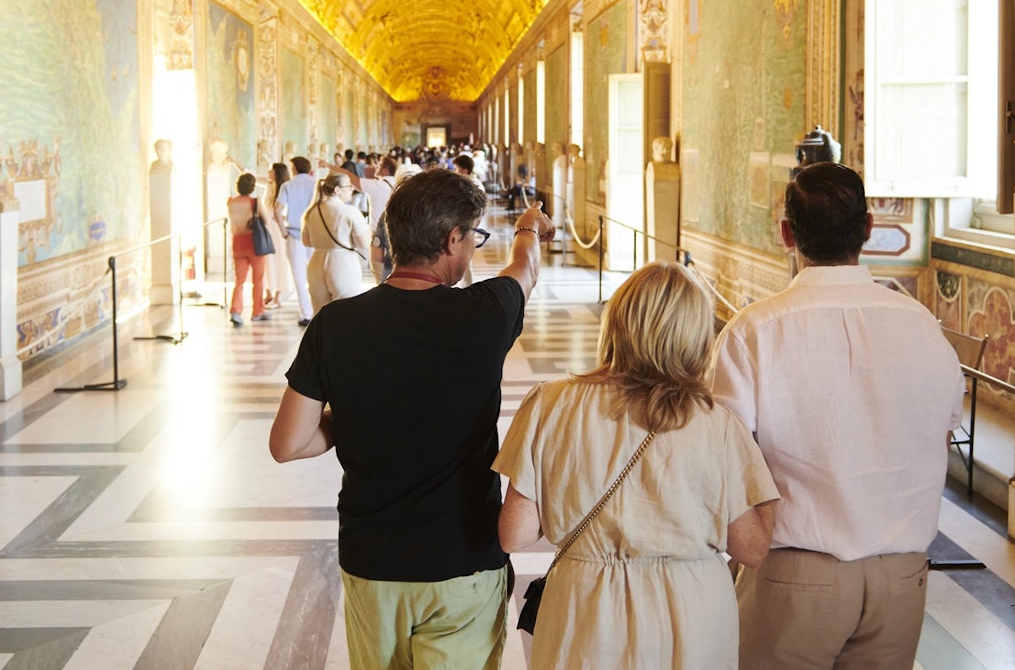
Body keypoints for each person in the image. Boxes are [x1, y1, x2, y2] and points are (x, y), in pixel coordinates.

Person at [269, 168, 556, 670]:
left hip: (373, 561)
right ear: (452, 239)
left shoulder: (335, 325)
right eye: (472, 237)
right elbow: (524, 268)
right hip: (462, 561)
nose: (472, 250)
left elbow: (288, 443)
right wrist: (530, 227)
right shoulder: (485, 313)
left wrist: (358, 410)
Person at [708, 162, 964, 669]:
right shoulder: (923, 328)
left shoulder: (754, 332)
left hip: (796, 575)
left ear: (786, 234)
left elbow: (722, 459)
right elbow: (944, 431)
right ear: (869, 228)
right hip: (901, 578)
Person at [494, 261, 778, 668]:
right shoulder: (718, 425)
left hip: (584, 610)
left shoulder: (550, 404)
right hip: (691, 613)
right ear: (696, 336)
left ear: (618, 321)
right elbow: (751, 548)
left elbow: (515, 534)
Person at [301, 173, 371, 311]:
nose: (352, 189)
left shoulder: (312, 211)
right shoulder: (349, 211)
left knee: (320, 313)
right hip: (343, 262)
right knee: (347, 311)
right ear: (337, 190)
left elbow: (306, 241)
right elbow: (364, 243)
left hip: (316, 263)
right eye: (348, 186)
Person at [226, 173, 276, 327]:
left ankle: (236, 310)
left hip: (237, 244)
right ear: (252, 187)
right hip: (254, 244)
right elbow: (266, 220)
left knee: (239, 281)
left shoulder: (230, 202)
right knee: (258, 280)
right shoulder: (254, 202)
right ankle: (257, 311)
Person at [276, 156, 318, 326]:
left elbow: (277, 210)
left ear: (294, 169)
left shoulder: (288, 186)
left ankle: (306, 313)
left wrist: (283, 232)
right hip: (314, 235)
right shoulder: (316, 183)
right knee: (316, 275)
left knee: (299, 277)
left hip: (294, 235)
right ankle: (318, 309)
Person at [358, 156, 397, 282]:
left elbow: (353, 180)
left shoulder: (377, 185)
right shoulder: (396, 183)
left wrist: (329, 166)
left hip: (379, 233)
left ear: (385, 170)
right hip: (396, 233)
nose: (376, 167)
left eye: (379, 165)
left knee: (380, 276)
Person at [264, 162, 295, 309]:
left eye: (271, 171)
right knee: (267, 260)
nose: (269, 173)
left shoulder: (287, 187)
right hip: (267, 226)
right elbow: (248, 174)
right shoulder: (268, 185)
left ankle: (278, 296)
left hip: (279, 227)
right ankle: (268, 293)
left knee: (280, 260)